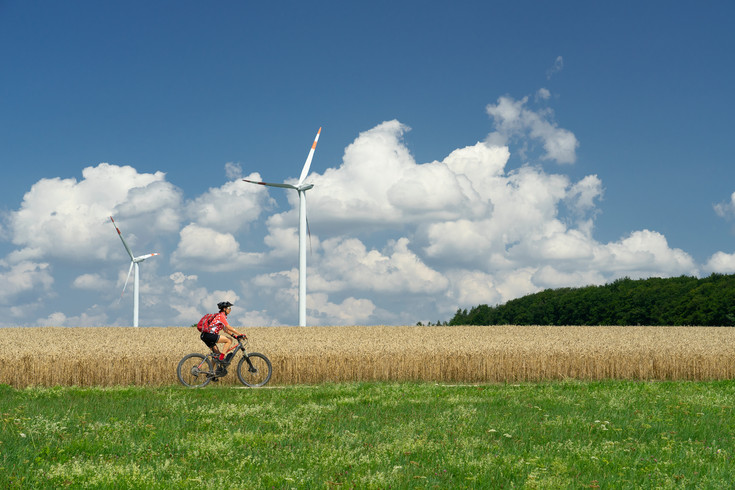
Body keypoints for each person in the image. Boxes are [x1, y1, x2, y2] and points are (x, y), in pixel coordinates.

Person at [199, 301, 247, 366]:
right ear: (224, 309)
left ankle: (210, 373)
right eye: (229, 308)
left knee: (217, 355)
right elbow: (228, 327)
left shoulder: (220, 316)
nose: (230, 310)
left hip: (205, 335)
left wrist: (234, 336)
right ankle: (222, 359)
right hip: (209, 335)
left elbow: (226, 330)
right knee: (229, 340)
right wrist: (240, 334)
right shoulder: (221, 316)